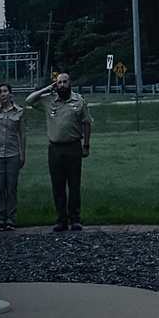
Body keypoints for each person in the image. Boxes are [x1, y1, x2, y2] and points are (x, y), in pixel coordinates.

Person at [26, 72, 92, 231]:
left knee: (74, 184)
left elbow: (87, 123)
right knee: (58, 184)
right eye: (59, 82)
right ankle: (62, 218)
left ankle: (75, 218)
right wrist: (46, 89)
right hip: (55, 148)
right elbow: (29, 100)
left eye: (65, 82)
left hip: (74, 147)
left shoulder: (78, 100)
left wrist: (86, 146)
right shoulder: (49, 100)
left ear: (70, 83)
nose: (62, 85)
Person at [0, 82, 25, 230]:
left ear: (10, 93)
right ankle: (0, 217)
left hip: (13, 153)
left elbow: (22, 134)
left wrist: (22, 154)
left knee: (11, 186)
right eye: (0, 92)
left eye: (5, 91)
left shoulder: (18, 111)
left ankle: (11, 218)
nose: (3, 94)